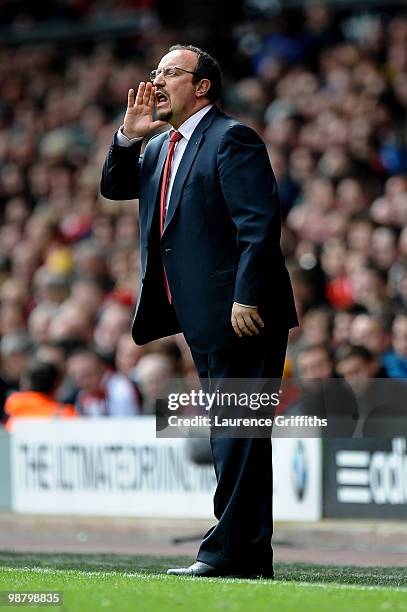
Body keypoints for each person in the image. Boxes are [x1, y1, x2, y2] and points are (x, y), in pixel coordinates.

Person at [101, 44, 298, 578]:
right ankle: (247, 553)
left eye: (170, 72)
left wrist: (247, 295)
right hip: (201, 315)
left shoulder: (231, 138)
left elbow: (258, 225)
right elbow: (114, 187)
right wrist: (127, 138)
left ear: (203, 86)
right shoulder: (161, 146)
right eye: (155, 72)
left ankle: (227, 553)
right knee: (234, 434)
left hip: (243, 311)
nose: (157, 81)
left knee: (235, 433)